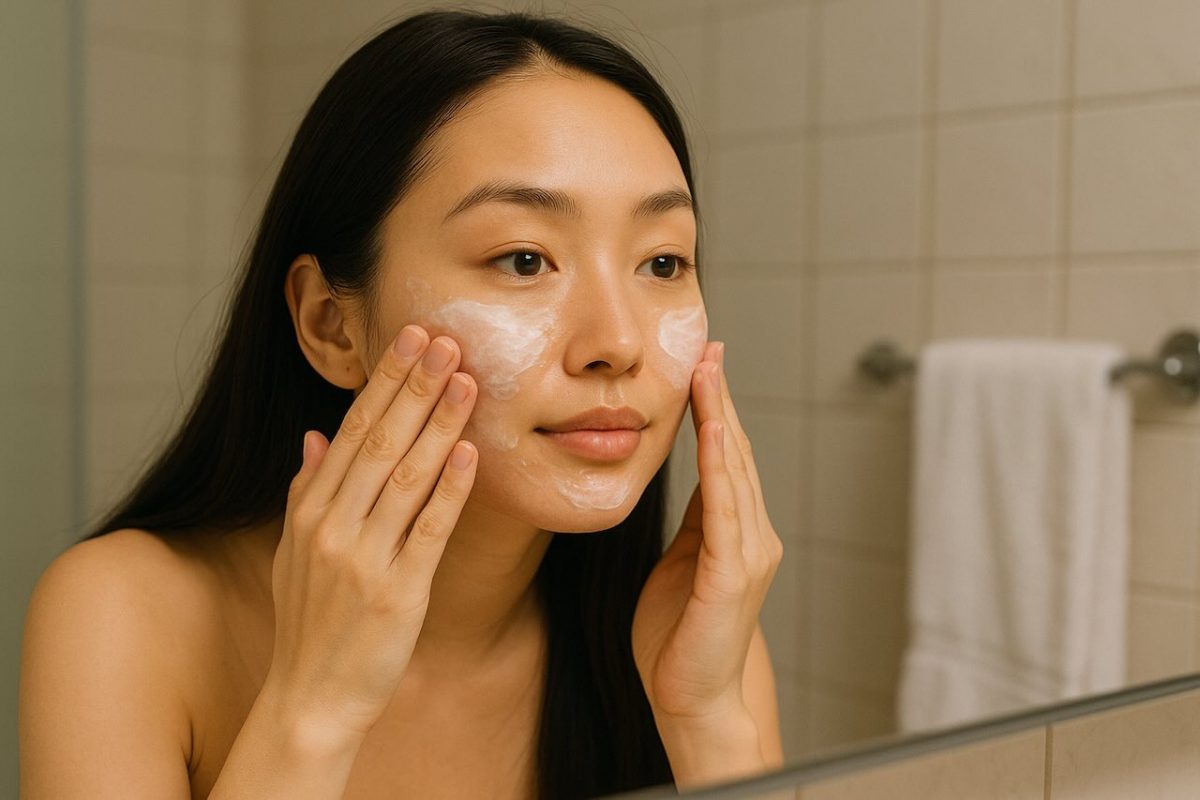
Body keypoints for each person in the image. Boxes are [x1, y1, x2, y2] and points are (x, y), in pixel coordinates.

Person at [19, 9, 784, 799]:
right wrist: (312, 711)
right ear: (330, 324)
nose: (618, 342)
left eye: (662, 262)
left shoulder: (694, 639)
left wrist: (707, 720)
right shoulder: (123, 617)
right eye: (524, 259)